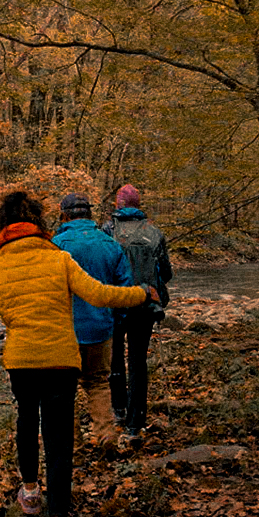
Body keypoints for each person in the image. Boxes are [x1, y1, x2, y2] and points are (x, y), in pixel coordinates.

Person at [0, 190, 157, 517]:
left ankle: (29, 492)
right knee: (59, 440)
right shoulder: (59, 260)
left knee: (27, 420)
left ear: (3, 229)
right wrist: (141, 293)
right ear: (39, 225)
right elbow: (100, 294)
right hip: (62, 359)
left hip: (22, 362)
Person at [49, 192, 131, 449]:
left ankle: (71, 444)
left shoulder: (57, 245)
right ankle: (106, 434)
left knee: (64, 389)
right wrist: (115, 321)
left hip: (66, 331)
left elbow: (48, 290)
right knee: (97, 383)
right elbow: (124, 287)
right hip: (100, 327)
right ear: (90, 214)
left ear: (64, 215)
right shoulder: (110, 243)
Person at [105, 184, 173, 448]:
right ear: (138, 204)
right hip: (145, 305)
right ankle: (136, 423)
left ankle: (118, 410)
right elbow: (165, 273)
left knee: (114, 360)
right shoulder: (154, 233)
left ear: (118, 205)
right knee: (137, 362)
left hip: (114, 302)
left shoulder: (108, 231)